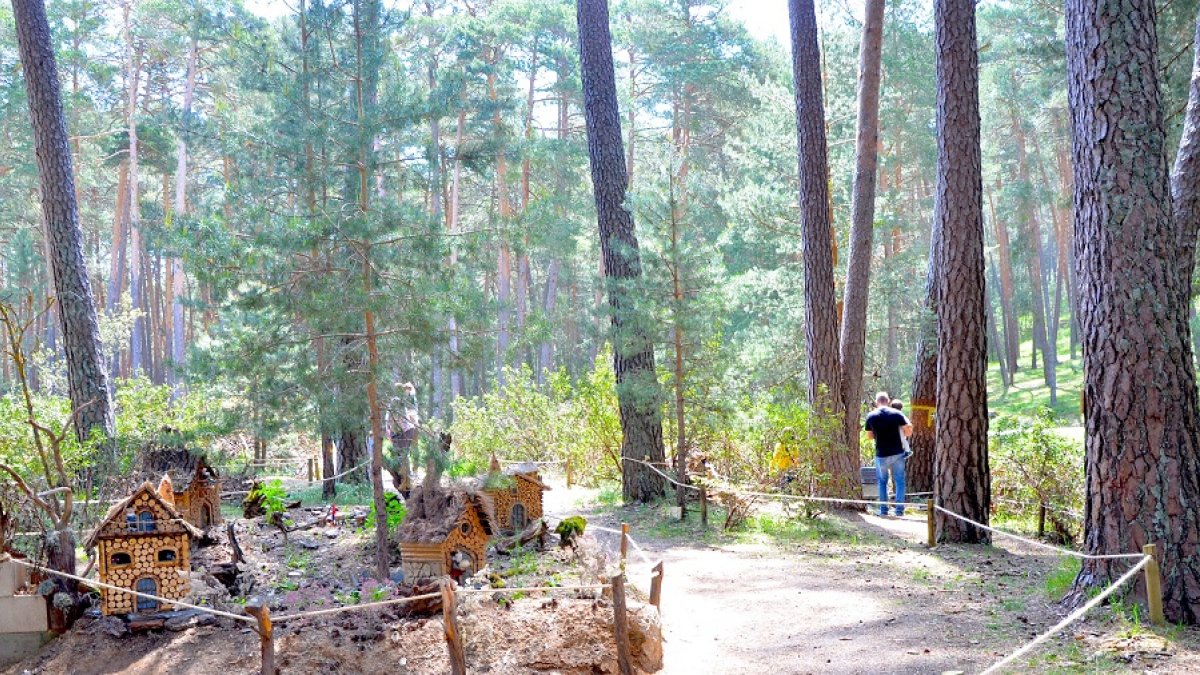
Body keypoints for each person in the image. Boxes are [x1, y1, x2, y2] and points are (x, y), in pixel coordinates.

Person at [864, 391, 913, 517]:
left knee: (882, 482)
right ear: (888, 401)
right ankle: (899, 511)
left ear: (876, 402)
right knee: (900, 481)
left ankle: (884, 510)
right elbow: (907, 432)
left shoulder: (871, 415)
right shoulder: (897, 413)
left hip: (881, 453)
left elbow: (869, 436)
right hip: (897, 452)